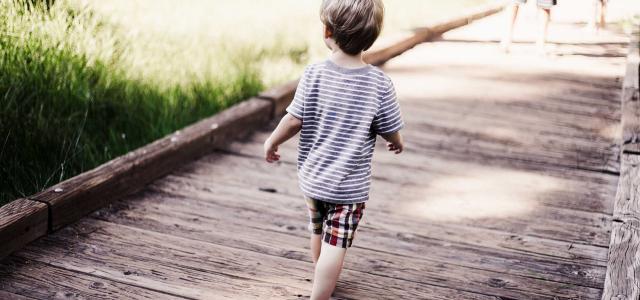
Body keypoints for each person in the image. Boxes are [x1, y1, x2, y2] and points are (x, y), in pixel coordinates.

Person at [263, 0, 404, 298]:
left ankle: (321, 277)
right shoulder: (379, 84)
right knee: (336, 243)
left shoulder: (314, 73)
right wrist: (396, 141)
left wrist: (272, 141)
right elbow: (390, 127)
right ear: (372, 36)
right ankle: (321, 293)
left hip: (313, 181)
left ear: (327, 31)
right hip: (348, 189)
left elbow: (292, 120)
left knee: (318, 230)